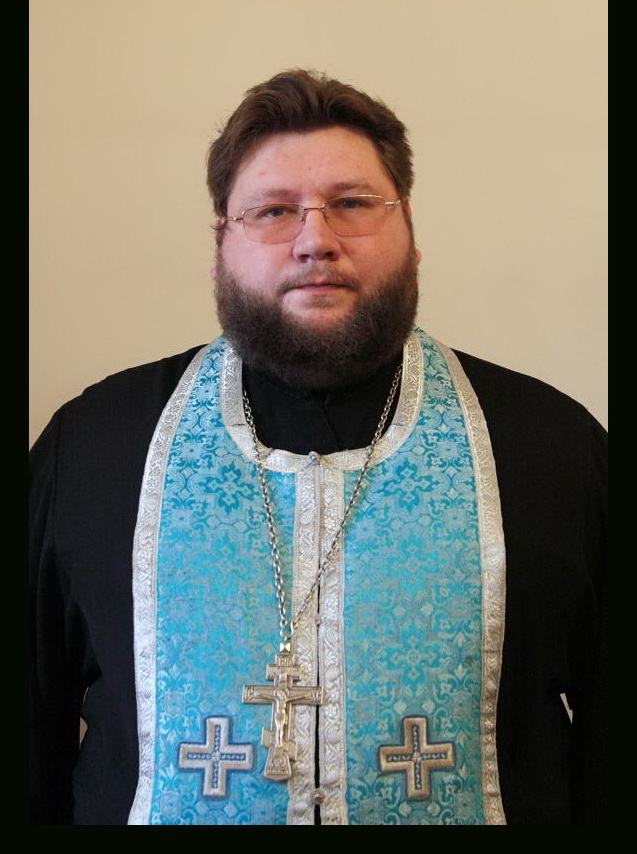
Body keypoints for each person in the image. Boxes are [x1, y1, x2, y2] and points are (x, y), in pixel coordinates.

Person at [29, 68, 607, 826]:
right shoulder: (93, 447)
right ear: (220, 243)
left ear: (410, 232)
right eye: (273, 211)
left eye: (353, 204)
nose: (315, 241)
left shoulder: (551, 447)